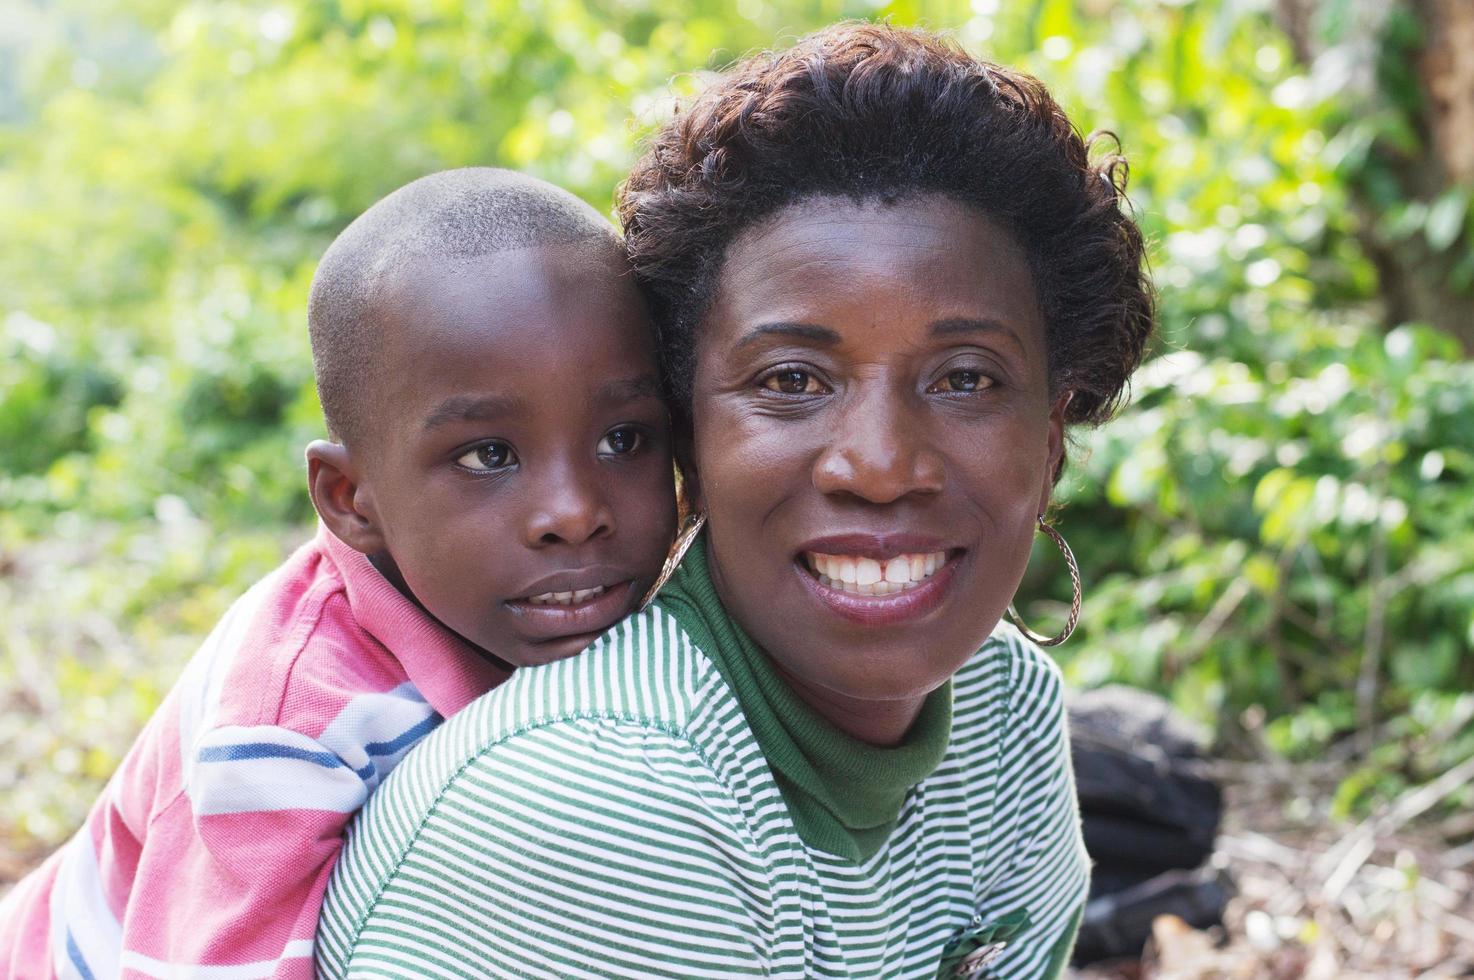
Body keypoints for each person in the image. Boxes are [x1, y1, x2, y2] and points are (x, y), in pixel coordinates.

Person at [317, 23, 1153, 980]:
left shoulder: (1002, 713)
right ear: (689, 446)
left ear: (1047, 446)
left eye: (964, 379)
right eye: (793, 381)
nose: (879, 465)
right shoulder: (605, 798)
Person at [0, 168, 678, 978]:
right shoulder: (286, 731)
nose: (574, 512)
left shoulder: (647, 619)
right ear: (350, 499)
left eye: (625, 440)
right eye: (488, 455)